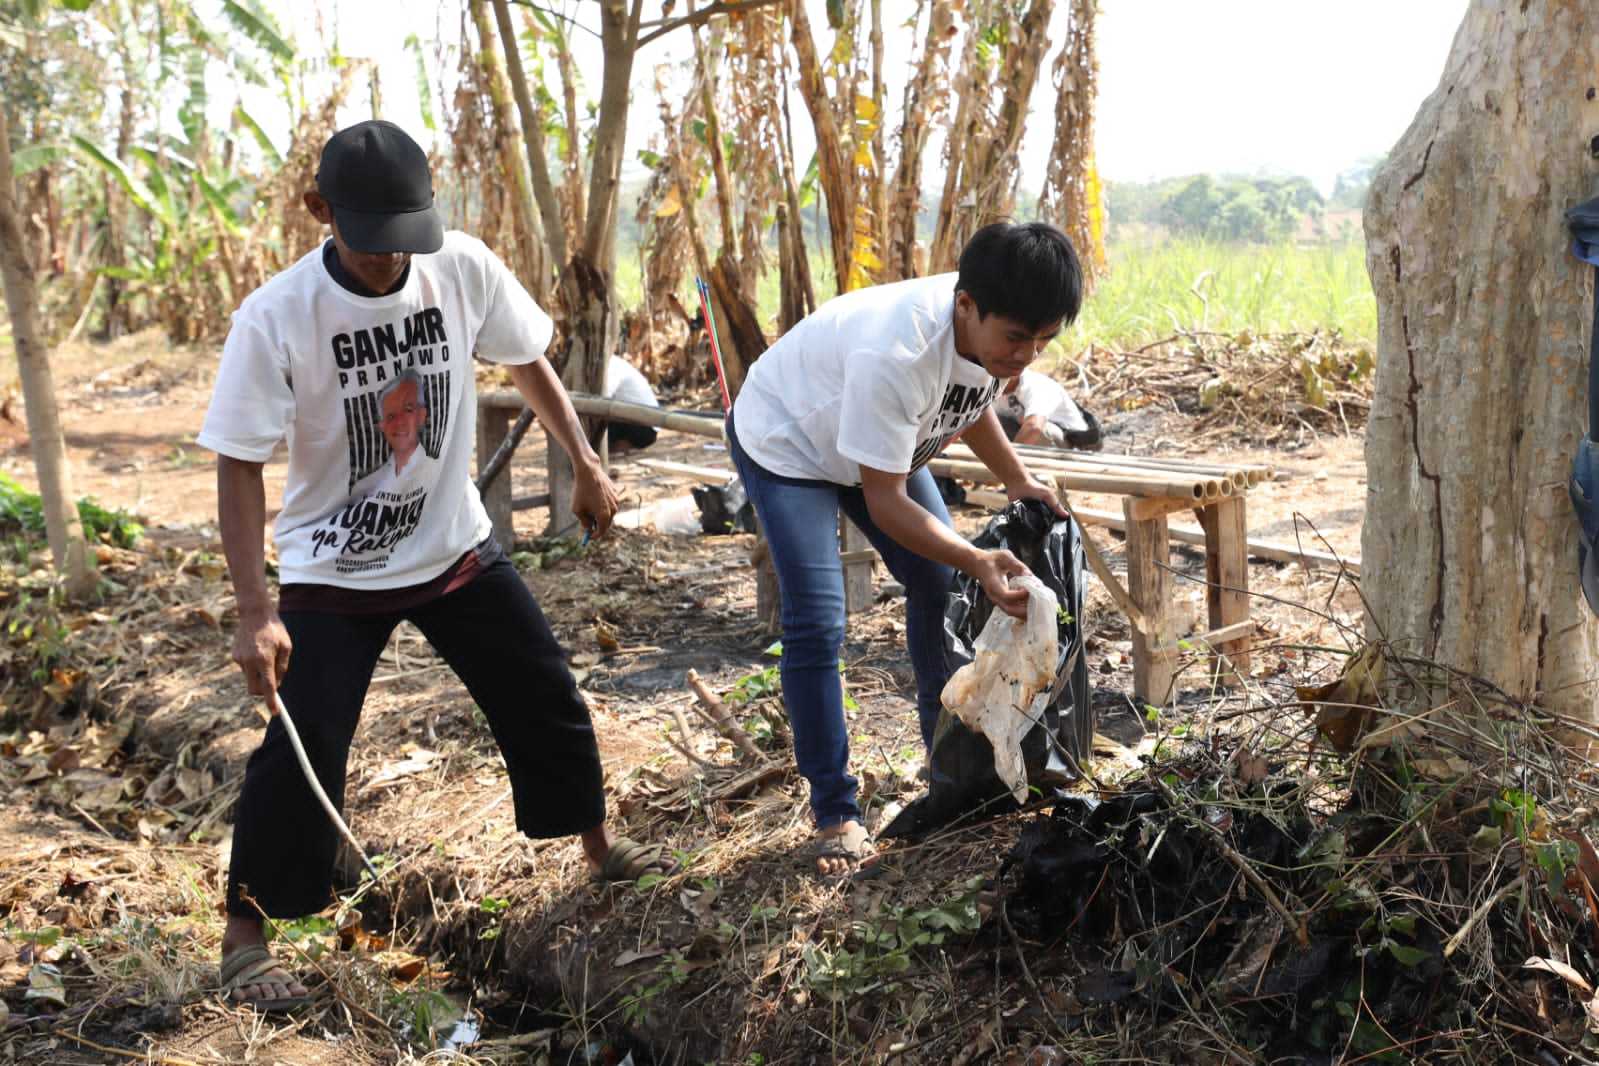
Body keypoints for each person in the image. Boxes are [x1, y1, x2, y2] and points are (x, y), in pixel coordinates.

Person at [197, 120, 671, 1012]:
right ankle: (247, 936)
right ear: (318, 212)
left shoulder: (460, 265)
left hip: (451, 547)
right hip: (333, 570)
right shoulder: (275, 318)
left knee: (542, 692)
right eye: (370, 244)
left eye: (403, 241)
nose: (389, 262)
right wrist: (254, 606)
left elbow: (528, 358)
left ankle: (600, 849)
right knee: (304, 746)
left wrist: (587, 464)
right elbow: (237, 461)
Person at [726, 221, 1082, 877]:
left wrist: (1016, 480)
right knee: (818, 620)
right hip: (790, 444)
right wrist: (974, 557)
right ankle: (835, 813)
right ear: (965, 305)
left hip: (875, 444)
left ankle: (945, 767)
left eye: (1042, 341)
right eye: (1016, 338)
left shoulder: (990, 338)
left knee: (937, 585)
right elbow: (887, 501)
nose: (1026, 356)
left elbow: (968, 400)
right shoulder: (897, 353)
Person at [995, 367, 1102, 450]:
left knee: (1041, 430)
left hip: (1072, 445)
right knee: (988, 420)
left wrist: (1007, 464)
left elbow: (1033, 428)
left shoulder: (1036, 385)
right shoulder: (993, 388)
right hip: (1030, 438)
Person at [602, 354, 659, 453]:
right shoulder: (611, 362)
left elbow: (604, 397)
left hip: (644, 427)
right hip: (640, 421)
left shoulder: (610, 365)